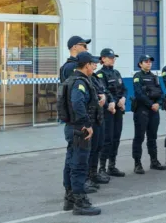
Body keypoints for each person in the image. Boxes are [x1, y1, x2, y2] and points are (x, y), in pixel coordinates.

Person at [62, 51, 101, 216]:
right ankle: (80, 202)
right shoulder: (80, 82)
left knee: (71, 161)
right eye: (92, 64)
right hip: (80, 129)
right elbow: (77, 103)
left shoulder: (73, 79)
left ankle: (70, 198)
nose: (94, 67)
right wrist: (87, 124)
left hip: (73, 128)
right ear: (86, 65)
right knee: (79, 164)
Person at [61, 36, 91, 201]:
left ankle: (71, 193)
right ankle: (75, 195)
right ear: (74, 47)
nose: (86, 48)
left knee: (72, 157)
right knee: (77, 160)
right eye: (83, 45)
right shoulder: (72, 68)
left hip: (73, 121)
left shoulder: (69, 67)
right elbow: (76, 100)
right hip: (77, 123)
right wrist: (86, 122)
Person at [131, 54, 166, 173]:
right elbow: (139, 93)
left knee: (152, 137)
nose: (148, 63)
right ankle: (137, 163)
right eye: (146, 61)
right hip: (142, 110)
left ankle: (154, 161)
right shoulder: (137, 76)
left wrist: (159, 103)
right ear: (140, 64)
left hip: (154, 110)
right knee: (139, 137)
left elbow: (161, 93)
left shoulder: (154, 76)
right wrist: (151, 104)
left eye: (150, 61)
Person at [97, 48, 128, 177]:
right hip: (108, 111)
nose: (112, 59)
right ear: (103, 59)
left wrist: (123, 99)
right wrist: (115, 101)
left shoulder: (116, 73)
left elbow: (124, 89)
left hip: (118, 110)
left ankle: (112, 165)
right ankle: (102, 167)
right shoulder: (100, 74)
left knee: (116, 137)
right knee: (107, 139)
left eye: (114, 57)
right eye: (110, 57)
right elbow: (103, 91)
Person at [86, 69, 114, 192]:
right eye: (92, 63)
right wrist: (101, 97)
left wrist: (109, 100)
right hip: (90, 118)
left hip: (99, 116)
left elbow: (104, 91)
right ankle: (86, 178)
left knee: (98, 146)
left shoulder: (96, 77)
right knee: (89, 150)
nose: (94, 65)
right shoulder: (83, 79)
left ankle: (93, 174)